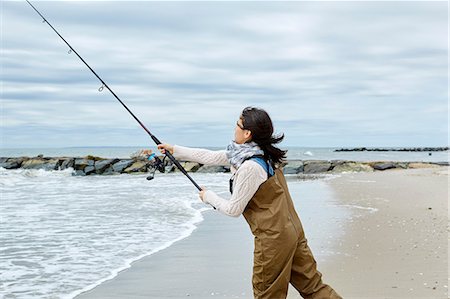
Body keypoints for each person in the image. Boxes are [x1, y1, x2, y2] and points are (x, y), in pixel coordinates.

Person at [157, 107, 342, 299]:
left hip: (273, 240)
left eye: (237, 125)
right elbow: (211, 157)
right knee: (314, 288)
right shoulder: (262, 153)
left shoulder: (250, 167)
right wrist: (175, 150)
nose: (234, 128)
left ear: (247, 133)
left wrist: (208, 196)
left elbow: (233, 209)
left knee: (266, 294)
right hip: (293, 231)